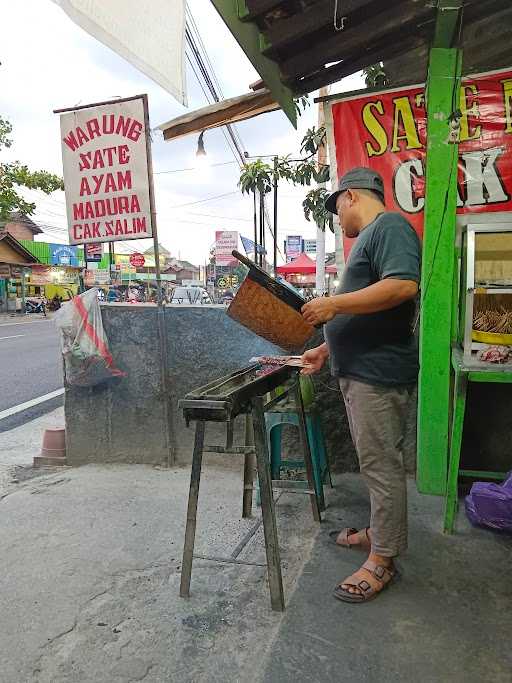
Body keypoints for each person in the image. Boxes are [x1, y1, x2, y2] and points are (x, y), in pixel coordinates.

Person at [301, 167, 421, 604]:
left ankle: (384, 558)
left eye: (337, 211)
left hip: (378, 374)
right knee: (375, 464)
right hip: (361, 370)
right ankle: (379, 532)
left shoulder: (388, 227)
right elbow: (365, 313)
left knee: (381, 467)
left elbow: (403, 286)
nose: (339, 222)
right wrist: (326, 349)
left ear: (349, 197)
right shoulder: (372, 239)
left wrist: (332, 303)